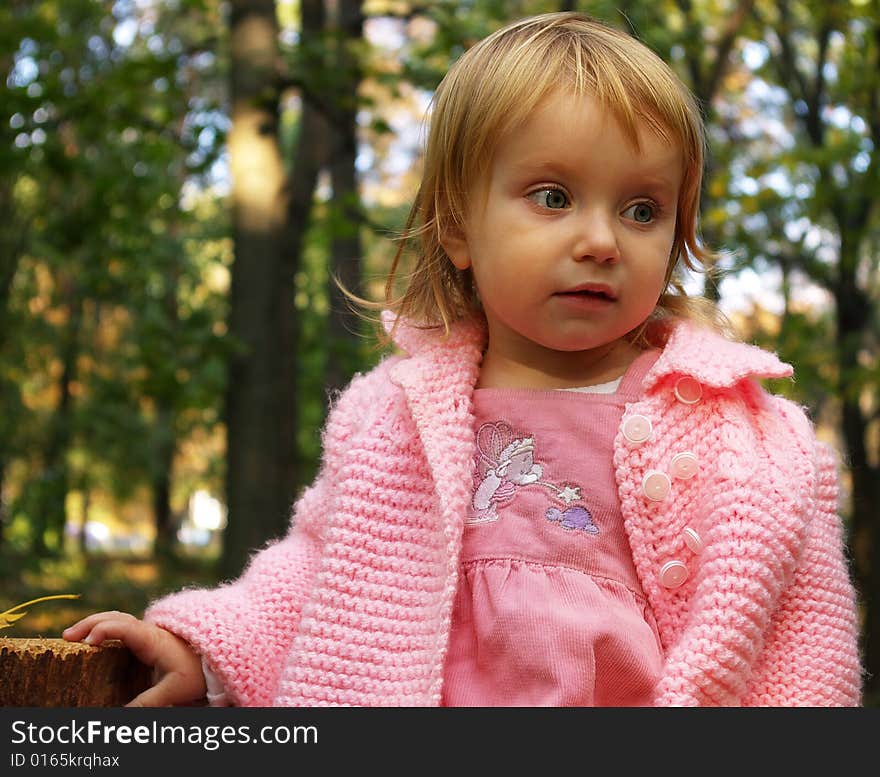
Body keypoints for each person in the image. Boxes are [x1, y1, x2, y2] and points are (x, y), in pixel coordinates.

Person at [63, 11, 863, 707]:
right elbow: (319, 571)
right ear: (456, 227)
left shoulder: (741, 436)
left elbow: (804, 637)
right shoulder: (399, 413)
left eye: (642, 209)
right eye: (553, 196)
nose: (600, 240)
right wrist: (206, 651)